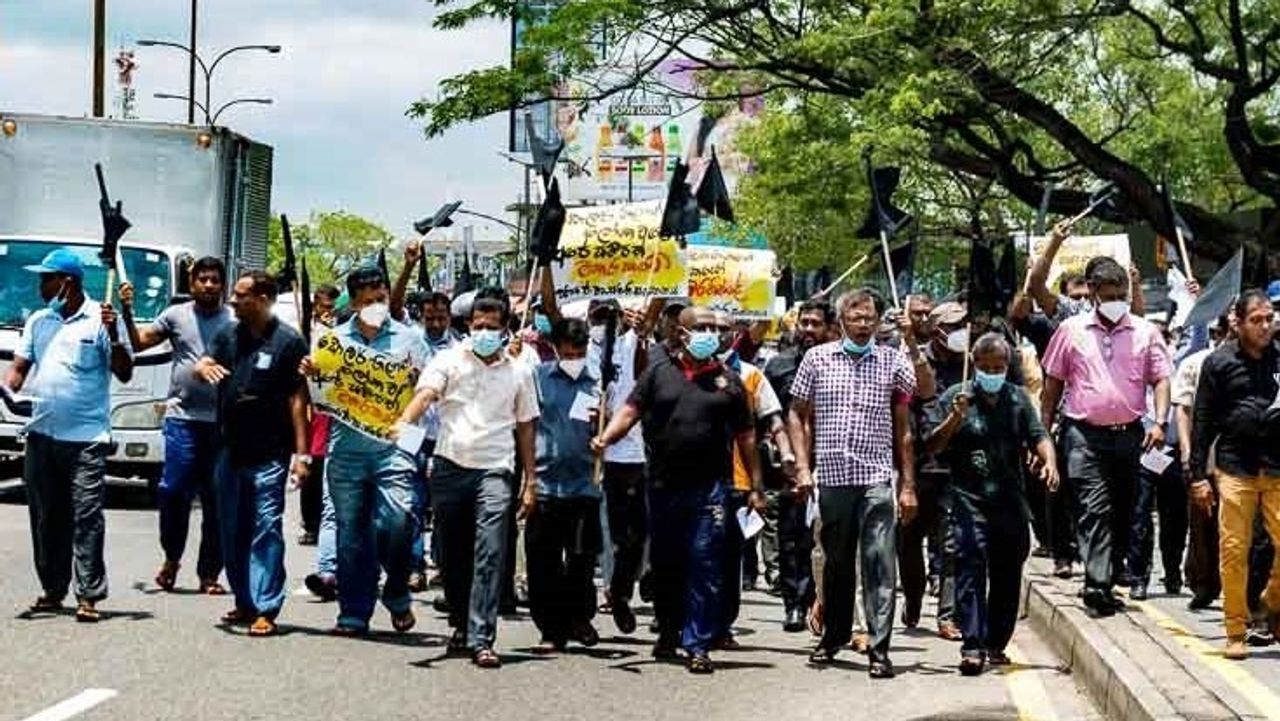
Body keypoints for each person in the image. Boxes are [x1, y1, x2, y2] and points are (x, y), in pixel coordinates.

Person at [593, 305, 763, 675]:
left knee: (704, 561)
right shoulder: (658, 374)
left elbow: (747, 436)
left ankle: (697, 642)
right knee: (667, 563)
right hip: (662, 485)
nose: (709, 334)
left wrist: (756, 485)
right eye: (701, 327)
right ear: (681, 333)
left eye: (714, 328)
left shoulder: (729, 382)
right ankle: (669, 630)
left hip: (711, 489)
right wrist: (606, 438)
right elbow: (629, 412)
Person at [396, 297, 540, 669]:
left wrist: (530, 481)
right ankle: (460, 621)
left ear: (505, 328)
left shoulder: (519, 371)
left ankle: (482, 638)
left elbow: (526, 426)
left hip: (496, 469)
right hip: (450, 466)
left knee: (490, 551)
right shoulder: (448, 361)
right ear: (468, 326)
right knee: (451, 553)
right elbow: (426, 395)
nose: (484, 333)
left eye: (492, 327)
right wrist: (405, 422)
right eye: (478, 326)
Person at [790, 288, 918, 679]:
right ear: (841, 320)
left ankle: (879, 648)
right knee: (837, 562)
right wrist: (802, 467)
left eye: (870, 318)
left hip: (876, 478)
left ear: (879, 321)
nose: (863, 324)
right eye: (855, 317)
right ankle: (834, 636)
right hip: (832, 478)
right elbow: (796, 412)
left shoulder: (893, 361)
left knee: (879, 562)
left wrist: (907, 485)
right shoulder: (817, 358)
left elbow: (906, 425)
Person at [5, 249, 134, 623]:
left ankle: (88, 594)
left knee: (86, 517)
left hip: (86, 438)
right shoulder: (39, 321)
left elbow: (125, 371)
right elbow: (19, 369)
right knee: (46, 516)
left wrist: (114, 334)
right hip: (41, 435)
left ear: (67, 282)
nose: (40, 286)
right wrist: (8, 391)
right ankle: (52, 589)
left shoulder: (101, 318)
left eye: (45, 279)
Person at [299, 267, 429, 636]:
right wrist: (311, 371)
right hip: (347, 451)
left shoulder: (409, 339)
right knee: (351, 533)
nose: (377, 306)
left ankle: (397, 590)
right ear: (354, 304)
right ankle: (353, 613)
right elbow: (320, 396)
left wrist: (412, 401)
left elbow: (428, 390)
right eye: (368, 301)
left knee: (399, 521)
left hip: (394, 449)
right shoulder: (333, 342)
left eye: (381, 299)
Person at [1041, 258, 1172, 616]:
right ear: (1093, 293)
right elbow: (1052, 388)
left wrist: (1160, 421)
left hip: (1130, 436)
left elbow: (1161, 379)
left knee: (1124, 510)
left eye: (1121, 296)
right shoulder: (1070, 330)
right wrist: (1043, 437)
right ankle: (1096, 584)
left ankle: (1110, 576)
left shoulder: (1146, 331)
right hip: (1083, 436)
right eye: (1109, 295)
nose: (1116, 302)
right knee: (1093, 507)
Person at [923, 333, 1058, 675]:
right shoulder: (956, 397)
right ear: (975, 364)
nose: (993, 373)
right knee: (969, 568)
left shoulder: (1016, 398)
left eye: (999, 368)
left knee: (1008, 573)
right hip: (968, 502)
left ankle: (995, 642)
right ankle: (972, 645)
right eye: (986, 367)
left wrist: (1050, 462)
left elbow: (1038, 435)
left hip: (1009, 502)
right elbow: (933, 445)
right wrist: (955, 419)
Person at [194, 271, 310, 638]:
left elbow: (298, 399)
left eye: (240, 295)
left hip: (270, 453)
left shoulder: (289, 341)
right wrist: (202, 367)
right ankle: (244, 600)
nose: (232, 300)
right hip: (230, 450)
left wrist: (302, 454)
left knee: (266, 528)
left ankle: (265, 607)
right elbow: (203, 363)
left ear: (262, 299)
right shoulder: (227, 334)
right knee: (232, 529)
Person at [119, 257, 233, 596]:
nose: (209, 285)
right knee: (172, 490)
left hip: (223, 424)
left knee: (217, 500)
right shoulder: (175, 316)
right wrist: (127, 310)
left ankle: (209, 573)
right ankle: (171, 558)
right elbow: (139, 343)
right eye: (203, 279)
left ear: (223, 284)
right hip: (182, 418)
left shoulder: (235, 320)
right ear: (191, 282)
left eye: (214, 280)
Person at [1188, 290, 1280, 660]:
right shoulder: (1218, 363)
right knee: (1234, 550)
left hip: (1276, 466)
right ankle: (1236, 630)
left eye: (1269, 318)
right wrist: (1197, 476)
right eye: (1256, 320)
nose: (1265, 326)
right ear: (1237, 323)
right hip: (1235, 468)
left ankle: (1271, 599)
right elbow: (1202, 421)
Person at [712, 309, 791, 646]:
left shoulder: (750, 375)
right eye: (705, 327)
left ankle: (721, 625)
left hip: (737, 480)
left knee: (729, 556)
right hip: (691, 478)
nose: (714, 334)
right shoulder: (679, 372)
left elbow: (773, 418)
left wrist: (786, 454)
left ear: (736, 333)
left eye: (721, 328)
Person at [525, 318, 604, 652]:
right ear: (555, 350)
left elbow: (614, 423)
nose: (574, 360)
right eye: (567, 354)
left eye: (579, 353)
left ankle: (579, 617)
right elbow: (526, 425)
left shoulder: (599, 381)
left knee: (582, 560)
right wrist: (528, 479)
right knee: (543, 562)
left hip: (585, 484)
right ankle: (551, 629)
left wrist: (603, 426)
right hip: (546, 483)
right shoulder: (538, 378)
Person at [762, 300, 830, 633]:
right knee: (792, 536)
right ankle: (794, 603)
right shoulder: (779, 366)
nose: (809, 329)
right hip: (792, 465)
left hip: (831, 464)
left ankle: (822, 601)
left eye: (816, 323)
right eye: (805, 322)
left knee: (825, 538)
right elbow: (768, 413)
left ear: (829, 328)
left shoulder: (839, 364)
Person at [901, 300, 962, 640]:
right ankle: (913, 597)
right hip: (919, 467)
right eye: (951, 326)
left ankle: (948, 615)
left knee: (952, 544)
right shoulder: (913, 360)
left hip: (954, 469)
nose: (958, 332)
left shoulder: (971, 363)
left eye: (962, 325)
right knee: (909, 543)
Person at [1175, 315, 1229, 610]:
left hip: (1245, 464)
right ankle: (1204, 584)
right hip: (1206, 460)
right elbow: (1184, 411)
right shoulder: (1196, 364)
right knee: (1203, 527)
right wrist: (1187, 453)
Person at [299, 283, 340, 546]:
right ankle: (311, 523)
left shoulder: (343, 332)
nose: (329, 313)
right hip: (312, 408)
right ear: (315, 305)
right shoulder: (305, 333)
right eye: (325, 307)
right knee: (313, 464)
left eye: (333, 308)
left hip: (338, 406)